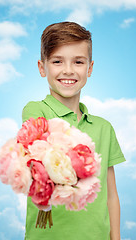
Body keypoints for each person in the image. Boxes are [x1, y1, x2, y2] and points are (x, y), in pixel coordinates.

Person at [22, 21, 126, 240]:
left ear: (89, 68)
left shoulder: (103, 128)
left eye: (78, 62)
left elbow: (110, 194)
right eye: (58, 61)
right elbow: (41, 159)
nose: (68, 70)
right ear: (42, 67)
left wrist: (115, 237)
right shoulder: (36, 110)